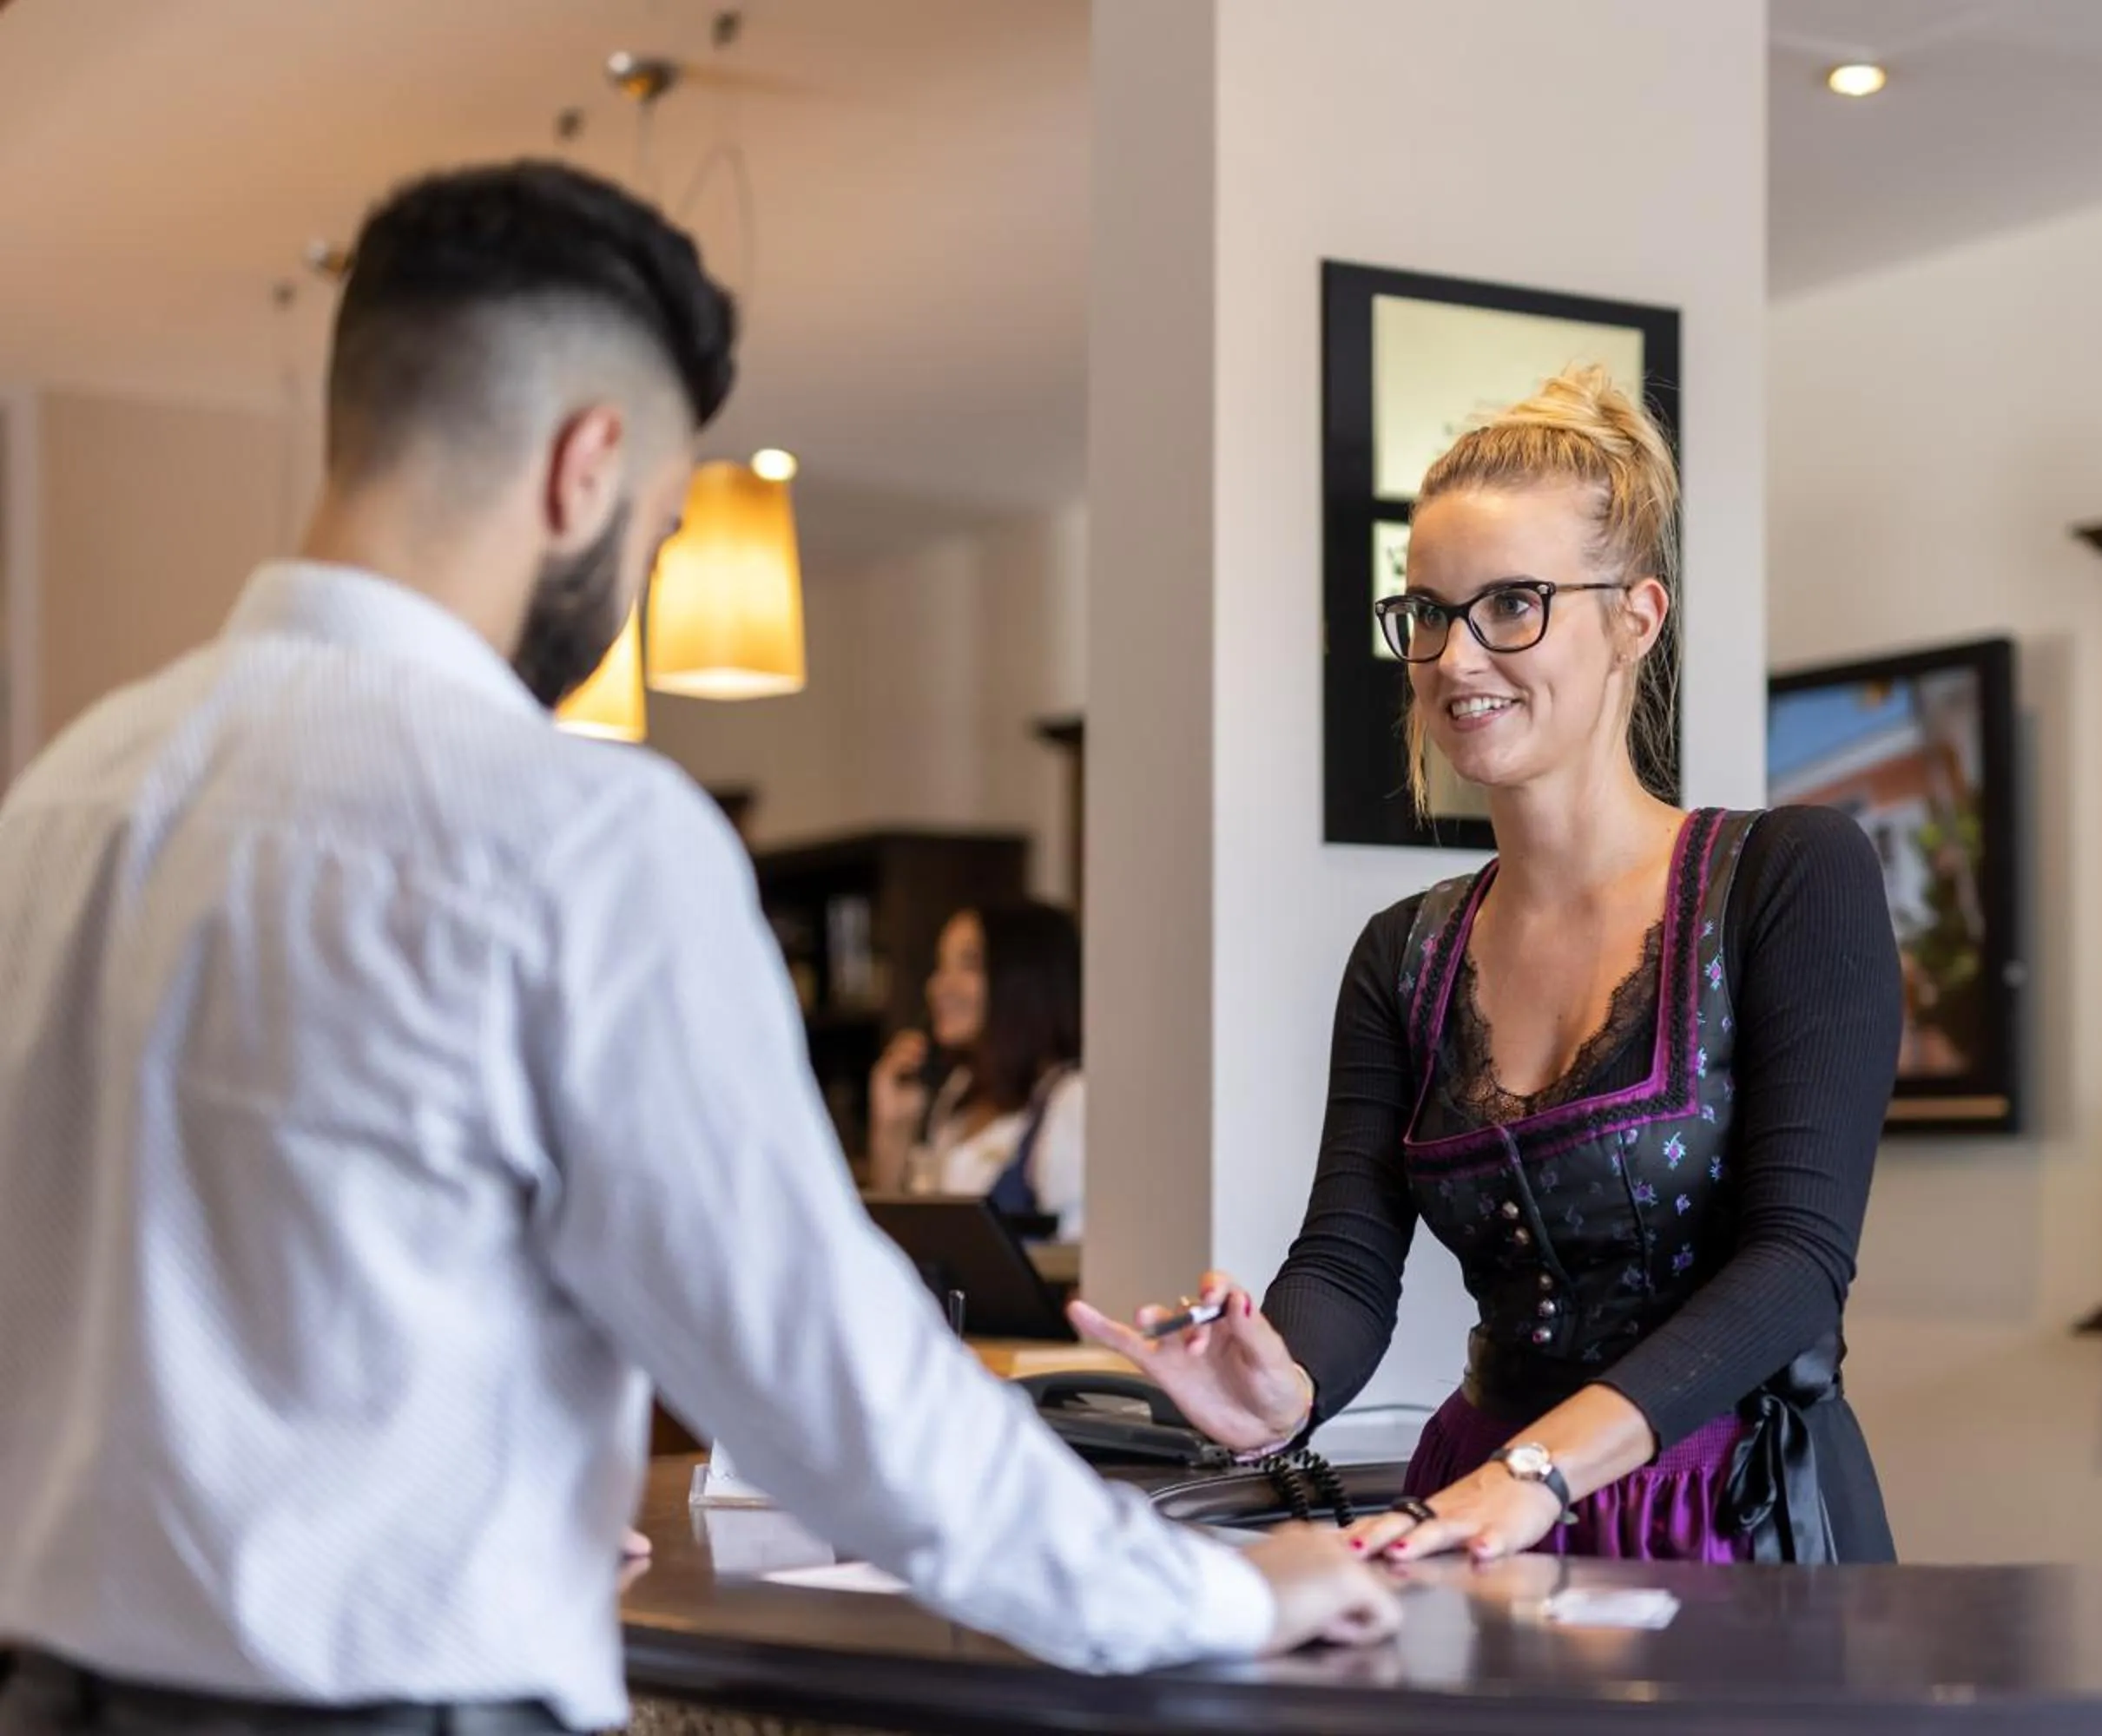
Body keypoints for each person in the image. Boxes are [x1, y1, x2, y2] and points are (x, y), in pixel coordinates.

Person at [0, 160, 1393, 1736]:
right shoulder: (575, 834)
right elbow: (831, 1385)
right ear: (588, 467)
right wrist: (1215, 1594)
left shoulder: (60, 802)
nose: (639, 570)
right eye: (664, 525)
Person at [1072, 365, 1901, 1568]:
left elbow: (1796, 1269)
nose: (1456, 658)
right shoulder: (1403, 954)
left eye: (1513, 605)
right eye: (1427, 612)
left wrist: (1542, 1469)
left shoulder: (1788, 878)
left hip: (1726, 1513)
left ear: (1637, 616)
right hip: (1482, 1512)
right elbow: (1348, 1260)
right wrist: (1281, 1388)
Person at [867, 901, 1087, 1240]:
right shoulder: (958, 1090)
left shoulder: (1069, 1100)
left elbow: (1073, 1254)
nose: (938, 986)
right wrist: (893, 1132)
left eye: (969, 965)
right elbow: (906, 1245)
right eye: (940, 966)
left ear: (1026, 977)